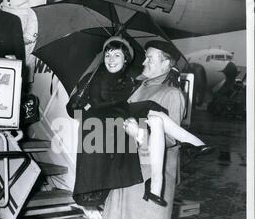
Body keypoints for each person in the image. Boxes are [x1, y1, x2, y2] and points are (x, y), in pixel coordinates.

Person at [91, 40, 204, 219]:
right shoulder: (139, 87)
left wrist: (140, 133)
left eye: (150, 59)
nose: (144, 63)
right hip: (125, 164)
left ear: (167, 63)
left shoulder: (172, 94)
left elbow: (172, 139)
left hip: (146, 170)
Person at [67, 36, 211, 209]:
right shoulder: (91, 78)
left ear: (126, 59)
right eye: (107, 55)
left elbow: (152, 77)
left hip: (120, 124)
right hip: (101, 129)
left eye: (117, 55)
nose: (111, 60)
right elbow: (73, 112)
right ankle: (192, 143)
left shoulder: (130, 82)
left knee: (155, 114)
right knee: (150, 110)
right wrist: (78, 102)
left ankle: (189, 147)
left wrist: (171, 72)